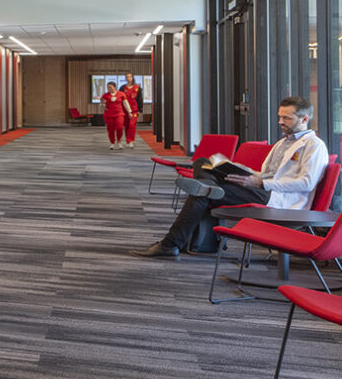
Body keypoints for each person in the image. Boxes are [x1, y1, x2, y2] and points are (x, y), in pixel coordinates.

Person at [130, 96, 328, 258]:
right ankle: (207, 186)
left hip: (277, 198)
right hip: (262, 186)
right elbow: (265, 172)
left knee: (202, 195)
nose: (280, 122)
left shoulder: (314, 145)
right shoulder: (283, 142)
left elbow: (307, 182)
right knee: (203, 162)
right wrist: (237, 168)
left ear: (304, 119)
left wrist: (261, 182)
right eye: (280, 117)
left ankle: (170, 243)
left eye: (286, 118)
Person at [101, 81, 128, 150]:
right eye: (108, 87)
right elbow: (102, 106)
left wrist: (129, 111)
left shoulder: (121, 94)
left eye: (110, 87)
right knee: (110, 129)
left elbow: (125, 103)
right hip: (108, 114)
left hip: (119, 113)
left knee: (119, 127)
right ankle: (112, 143)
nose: (109, 89)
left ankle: (119, 141)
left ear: (114, 87)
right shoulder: (105, 95)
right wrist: (103, 103)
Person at [121, 74, 143, 148]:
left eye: (130, 77)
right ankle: (128, 140)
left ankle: (131, 140)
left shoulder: (137, 88)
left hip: (134, 109)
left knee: (132, 125)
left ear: (132, 78)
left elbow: (140, 98)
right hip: (125, 110)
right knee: (126, 125)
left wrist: (140, 108)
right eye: (127, 77)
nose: (128, 78)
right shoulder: (122, 88)